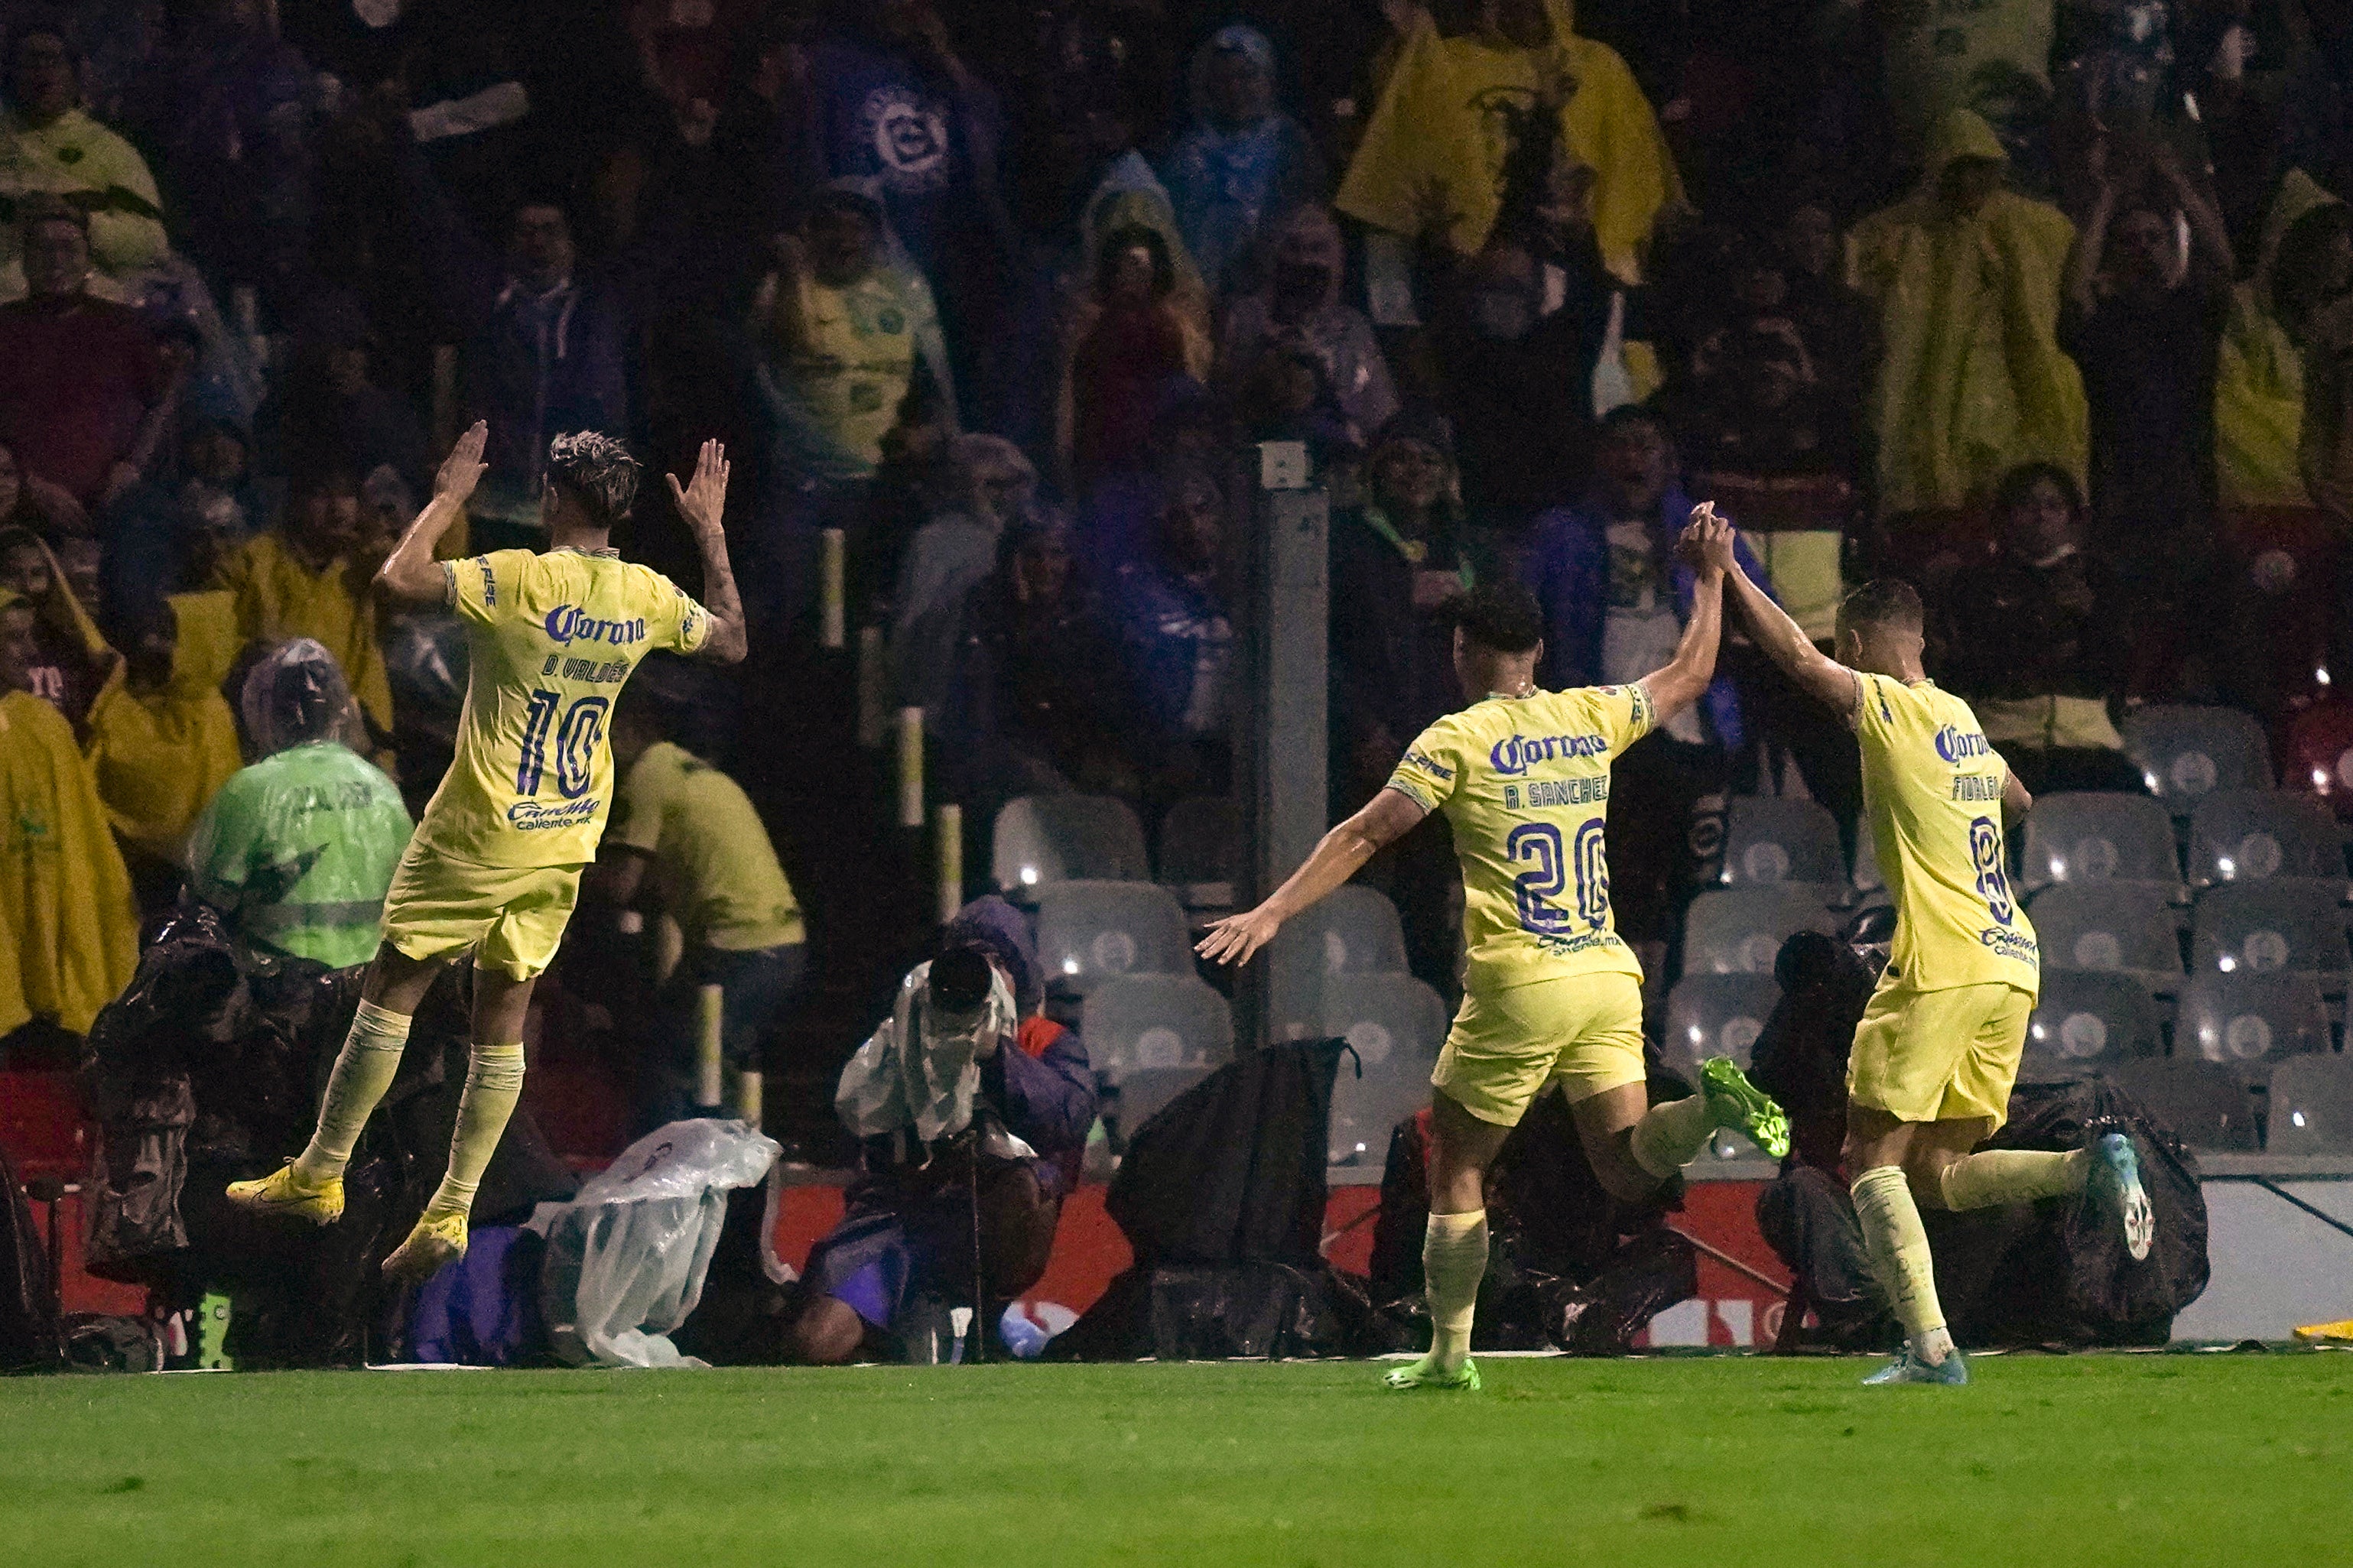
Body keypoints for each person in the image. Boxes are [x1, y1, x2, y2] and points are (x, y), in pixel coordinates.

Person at [1198, 543, 1791, 1395]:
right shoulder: (1590, 714)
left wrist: (1270, 911)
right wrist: (1706, 578)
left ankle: (1446, 1354)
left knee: (1456, 1165)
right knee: (1625, 1164)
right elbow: (1690, 674)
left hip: (1520, 979)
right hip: (1603, 971)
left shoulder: (1455, 736)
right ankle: (1706, 1106)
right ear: (1539, 651)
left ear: (1462, 650)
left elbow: (1365, 833)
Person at [224, 424, 747, 1283]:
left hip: (484, 822)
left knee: (392, 986)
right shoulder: (644, 594)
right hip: (569, 830)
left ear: (551, 497)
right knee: (502, 1011)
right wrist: (710, 531)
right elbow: (730, 640)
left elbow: (398, 577)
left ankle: (320, 1174)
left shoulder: (517, 576)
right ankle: (454, 1205)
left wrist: (449, 494)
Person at [1715, 527, 2153, 1385]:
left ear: (1860, 643)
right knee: (1939, 1171)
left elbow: (1798, 665)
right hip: (2009, 954)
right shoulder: (1957, 716)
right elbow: (2019, 800)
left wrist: (1729, 570)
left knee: (1868, 1159)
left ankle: (1928, 1348)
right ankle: (2085, 1166)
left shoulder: (1892, 704)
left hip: (1941, 958)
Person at [792, 896, 1094, 1363]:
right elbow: (856, 1111)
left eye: (998, 963)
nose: (985, 975)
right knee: (817, 1343)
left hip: (984, 1221)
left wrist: (999, 1057)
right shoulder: (906, 1031)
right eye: (971, 961)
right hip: (900, 1223)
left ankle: (986, 1325)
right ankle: (895, 1327)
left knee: (1024, 1186)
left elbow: (1070, 1119)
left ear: (1021, 977)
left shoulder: (1044, 1041)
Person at [1845, 109, 2087, 524]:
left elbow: (2075, 267)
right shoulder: (1905, 231)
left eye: (1980, 168)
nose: (1969, 181)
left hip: (2017, 384)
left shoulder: (2029, 223)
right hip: (1935, 387)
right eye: (1959, 168)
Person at [595, 686, 806, 1133]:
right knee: (709, 1063)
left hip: (738, 945)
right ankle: (726, 1166)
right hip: (774, 942)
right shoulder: (685, 769)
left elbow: (620, 884)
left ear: (627, 726)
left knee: (675, 1059)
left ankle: (664, 1178)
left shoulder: (650, 775)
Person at [186, 640, 414, 972]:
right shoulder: (382, 789)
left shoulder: (250, 791)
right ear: (338, 708)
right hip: (370, 986)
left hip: (280, 996)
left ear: (261, 712)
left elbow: (205, 900)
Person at [1930, 463, 2144, 794]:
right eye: (2028, 506)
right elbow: (1965, 668)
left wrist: (2091, 616)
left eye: (2054, 506)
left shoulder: (2100, 580)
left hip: (2088, 741)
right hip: (2003, 740)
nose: (2041, 516)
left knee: (2133, 805)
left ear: (2073, 519)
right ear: (2007, 518)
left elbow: (2120, 665)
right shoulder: (1978, 582)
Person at [0, 586, 137, 1040]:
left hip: (44, 900)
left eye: (29, 637)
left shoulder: (44, 726)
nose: (30, 652)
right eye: (13, 639)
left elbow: (82, 835)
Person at [0, 199, 167, 510]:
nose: (56, 260)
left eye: (69, 248)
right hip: (18, 510)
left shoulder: (121, 325)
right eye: (43, 248)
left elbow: (160, 403)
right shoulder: (5, 328)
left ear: (88, 260)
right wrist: (29, 485)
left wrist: (133, 466)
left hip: (114, 507)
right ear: (24, 260)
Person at [216, 465, 395, 749]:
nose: (338, 509)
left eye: (347, 495)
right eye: (322, 496)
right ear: (295, 503)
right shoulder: (251, 561)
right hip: (273, 742)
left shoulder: (367, 565)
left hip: (358, 744)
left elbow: (429, 586)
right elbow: (218, 648)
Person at [0, 18, 169, 295]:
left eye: (53, 60)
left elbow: (152, 243)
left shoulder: (109, 149)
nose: (42, 72)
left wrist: (83, 222)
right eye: (31, 61)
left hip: (89, 301)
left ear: (74, 74)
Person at [1158, 25, 1328, 298]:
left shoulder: (1289, 142)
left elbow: (1311, 225)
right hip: (1192, 296)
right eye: (1223, 78)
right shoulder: (1188, 148)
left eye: (1247, 77)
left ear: (1269, 81)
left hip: (1272, 296)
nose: (1234, 88)